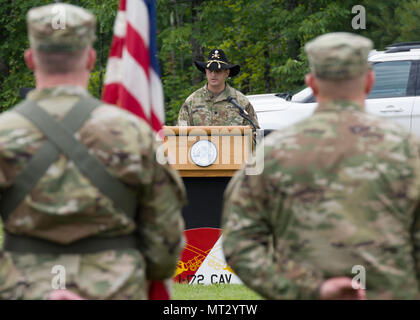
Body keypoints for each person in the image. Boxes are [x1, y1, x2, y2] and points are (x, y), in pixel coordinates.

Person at [0, 3, 186, 300]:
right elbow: (164, 248)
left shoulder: (4, 134)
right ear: (90, 58)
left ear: (30, 59)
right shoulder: (135, 134)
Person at [222, 32, 420, 299]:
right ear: (370, 81)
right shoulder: (409, 151)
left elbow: (240, 244)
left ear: (312, 83)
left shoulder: (272, 153)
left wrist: (306, 290)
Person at [177, 48, 259, 128]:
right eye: (210, 71)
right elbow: (181, 134)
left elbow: (254, 134)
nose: (213, 74)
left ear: (226, 73)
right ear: (206, 71)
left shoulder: (241, 102)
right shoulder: (192, 102)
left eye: (217, 71)